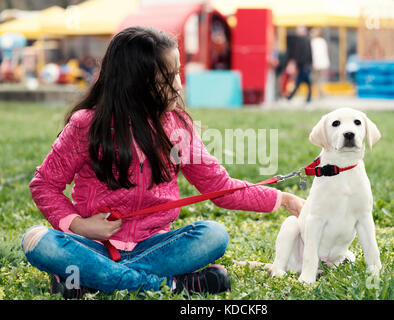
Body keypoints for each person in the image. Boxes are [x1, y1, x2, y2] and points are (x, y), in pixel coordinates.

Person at [21, 27, 305, 298]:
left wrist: (281, 198)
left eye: (177, 74)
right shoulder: (86, 125)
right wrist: (81, 226)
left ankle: (89, 279)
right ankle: (167, 284)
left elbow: (220, 187)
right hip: (94, 244)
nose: (178, 86)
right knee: (36, 240)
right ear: (133, 85)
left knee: (213, 235)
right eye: (165, 80)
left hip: (156, 245)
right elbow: (45, 185)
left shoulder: (178, 128)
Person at [286, 26, 313, 102]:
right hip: (303, 65)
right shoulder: (303, 40)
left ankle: (292, 96)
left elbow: (306, 54)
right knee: (304, 82)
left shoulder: (304, 40)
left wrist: (305, 64)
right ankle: (307, 97)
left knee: (301, 81)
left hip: (303, 65)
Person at [310, 28, 330, 98]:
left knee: (317, 79)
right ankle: (320, 93)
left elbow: (315, 54)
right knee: (319, 79)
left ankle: (319, 93)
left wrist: (314, 63)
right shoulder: (322, 41)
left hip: (318, 63)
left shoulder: (314, 42)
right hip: (322, 63)